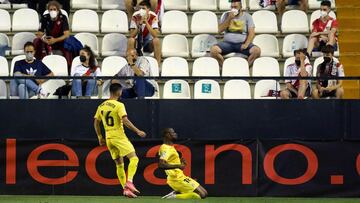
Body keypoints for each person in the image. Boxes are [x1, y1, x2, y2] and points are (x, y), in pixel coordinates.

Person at [94, 83, 146, 198]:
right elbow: (125, 121)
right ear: (118, 92)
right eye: (121, 91)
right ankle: (130, 182)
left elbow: (96, 122)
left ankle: (125, 190)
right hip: (119, 136)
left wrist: (100, 137)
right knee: (134, 158)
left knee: (119, 165)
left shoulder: (101, 106)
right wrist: (137, 131)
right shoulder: (119, 105)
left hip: (108, 138)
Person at [159, 128, 208, 199]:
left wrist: (181, 165)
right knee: (201, 195)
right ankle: (173, 197)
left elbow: (172, 165)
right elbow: (161, 165)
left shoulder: (171, 147)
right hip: (176, 179)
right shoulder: (165, 148)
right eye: (172, 132)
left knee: (205, 193)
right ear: (167, 135)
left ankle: (177, 192)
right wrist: (179, 165)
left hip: (181, 176)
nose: (175, 134)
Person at [210, 0, 261, 67]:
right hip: (227, 44)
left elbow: (251, 32)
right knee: (213, 50)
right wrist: (229, 18)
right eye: (232, 7)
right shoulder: (226, 15)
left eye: (235, 7)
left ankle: (245, 68)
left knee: (256, 51)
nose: (233, 8)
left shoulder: (247, 16)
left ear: (241, 7)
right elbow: (219, 30)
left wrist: (246, 44)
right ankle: (225, 68)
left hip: (242, 44)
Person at [33, 1, 72, 70]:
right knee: (36, 41)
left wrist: (55, 40)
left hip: (60, 42)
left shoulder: (63, 18)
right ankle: (36, 65)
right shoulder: (45, 17)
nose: (52, 11)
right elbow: (39, 33)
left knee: (68, 43)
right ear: (48, 10)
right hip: (48, 41)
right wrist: (44, 39)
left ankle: (68, 68)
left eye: (54, 9)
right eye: (51, 10)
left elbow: (66, 34)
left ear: (58, 10)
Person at [128, 0, 161, 65]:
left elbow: (155, 35)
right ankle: (131, 65)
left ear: (148, 10)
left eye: (143, 8)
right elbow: (131, 35)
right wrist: (138, 25)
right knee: (131, 40)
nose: (141, 10)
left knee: (156, 40)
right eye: (140, 8)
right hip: (137, 42)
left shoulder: (153, 16)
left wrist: (146, 22)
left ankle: (157, 66)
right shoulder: (135, 16)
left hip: (147, 43)